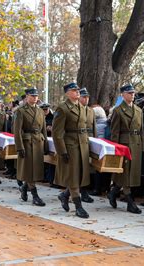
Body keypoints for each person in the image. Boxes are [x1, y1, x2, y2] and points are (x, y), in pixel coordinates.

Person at [52, 82, 91, 219]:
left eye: (78, 90)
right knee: (73, 177)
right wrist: (62, 151)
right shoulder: (63, 108)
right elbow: (57, 133)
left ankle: (64, 195)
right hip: (71, 145)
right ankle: (78, 206)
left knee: (79, 175)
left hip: (82, 145)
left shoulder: (81, 107)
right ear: (67, 93)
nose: (77, 92)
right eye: (74, 90)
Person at [108, 84, 144, 214]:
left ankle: (113, 192)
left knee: (130, 173)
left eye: (133, 93)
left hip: (136, 144)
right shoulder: (118, 111)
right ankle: (130, 202)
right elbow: (115, 133)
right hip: (124, 145)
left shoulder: (139, 110)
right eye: (129, 93)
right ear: (122, 95)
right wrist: (115, 149)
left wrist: (142, 145)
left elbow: (141, 131)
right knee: (126, 173)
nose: (132, 95)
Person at [13, 87, 48, 206]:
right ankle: (35, 195)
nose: (35, 98)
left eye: (36, 96)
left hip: (38, 142)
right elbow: (17, 131)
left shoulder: (40, 111)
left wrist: (46, 145)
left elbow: (43, 129)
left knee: (35, 170)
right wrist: (19, 147)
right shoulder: (20, 111)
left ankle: (24, 187)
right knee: (29, 170)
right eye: (32, 96)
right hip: (27, 143)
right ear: (27, 97)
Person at [79, 88, 97, 203]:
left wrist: (94, 143)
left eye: (87, 97)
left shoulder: (91, 111)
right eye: (84, 97)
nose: (86, 99)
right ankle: (77, 192)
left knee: (87, 169)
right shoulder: (75, 110)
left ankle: (83, 191)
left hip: (88, 142)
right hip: (78, 142)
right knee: (79, 169)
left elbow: (93, 128)